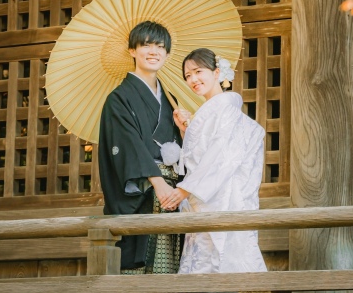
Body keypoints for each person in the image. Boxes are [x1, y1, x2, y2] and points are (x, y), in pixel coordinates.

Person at [160, 48, 267, 274]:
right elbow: (202, 155)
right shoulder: (210, 111)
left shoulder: (226, 108)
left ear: (217, 72)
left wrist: (184, 189)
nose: (193, 80)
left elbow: (221, 156)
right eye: (188, 76)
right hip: (206, 197)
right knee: (204, 263)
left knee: (219, 262)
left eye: (198, 72)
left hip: (220, 197)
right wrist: (185, 132)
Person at [98, 20, 184, 274]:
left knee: (170, 266)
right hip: (147, 191)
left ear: (167, 54)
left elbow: (181, 149)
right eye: (146, 45)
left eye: (160, 46)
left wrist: (184, 131)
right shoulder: (118, 99)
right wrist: (158, 184)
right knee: (144, 267)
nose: (154, 51)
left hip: (172, 194)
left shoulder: (170, 99)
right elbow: (128, 144)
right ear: (132, 50)